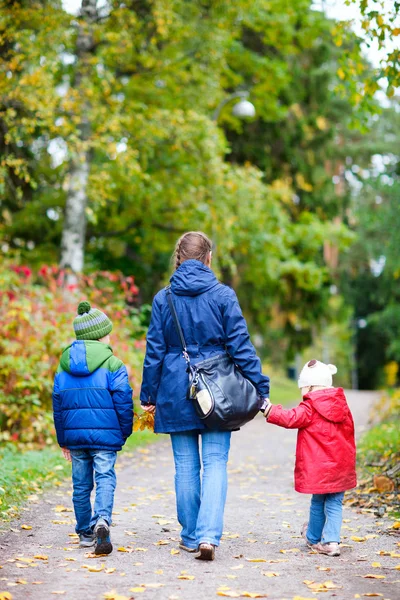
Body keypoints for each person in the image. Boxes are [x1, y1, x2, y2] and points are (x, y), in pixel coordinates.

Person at [140, 231, 270, 561]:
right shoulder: (223, 296)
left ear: (178, 258)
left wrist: (148, 394)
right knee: (214, 464)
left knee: (185, 466)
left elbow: (154, 351)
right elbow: (241, 347)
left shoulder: (162, 299)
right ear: (208, 258)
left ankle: (189, 535)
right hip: (218, 389)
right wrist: (260, 386)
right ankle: (208, 536)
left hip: (174, 388)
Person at [52, 301, 133, 555]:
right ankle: (102, 520)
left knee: (81, 485)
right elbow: (123, 400)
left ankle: (85, 533)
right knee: (105, 477)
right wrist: (124, 430)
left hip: (75, 437)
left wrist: (62, 439)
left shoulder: (63, 365)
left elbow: (58, 403)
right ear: (101, 335)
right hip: (105, 436)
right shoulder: (113, 364)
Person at [262, 359, 356, 557]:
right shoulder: (343, 406)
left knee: (317, 501)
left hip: (320, 468)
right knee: (334, 503)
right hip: (340, 466)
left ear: (311, 386)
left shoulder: (310, 407)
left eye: (303, 388)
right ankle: (331, 541)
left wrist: (270, 410)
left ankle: (313, 537)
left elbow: (290, 418)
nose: (302, 393)